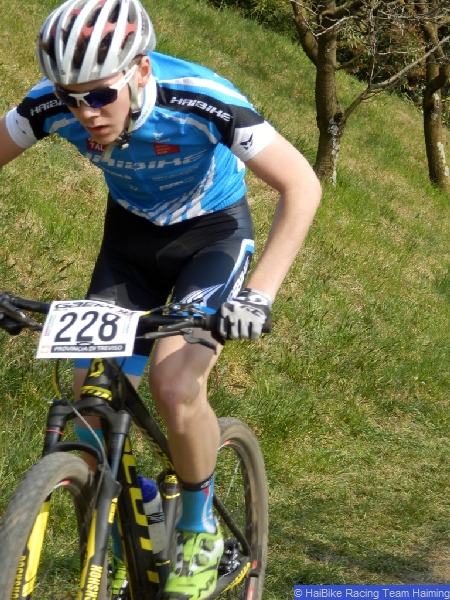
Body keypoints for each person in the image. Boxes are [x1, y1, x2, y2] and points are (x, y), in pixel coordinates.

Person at [0, 0, 321, 598]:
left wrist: (258, 295)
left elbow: (301, 183)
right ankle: (135, 513)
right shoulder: (47, 105)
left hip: (213, 236)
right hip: (129, 244)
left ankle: (200, 531)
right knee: (90, 396)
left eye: (101, 95)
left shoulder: (199, 97)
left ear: (140, 70)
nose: (85, 113)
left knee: (174, 384)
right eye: (71, 97)